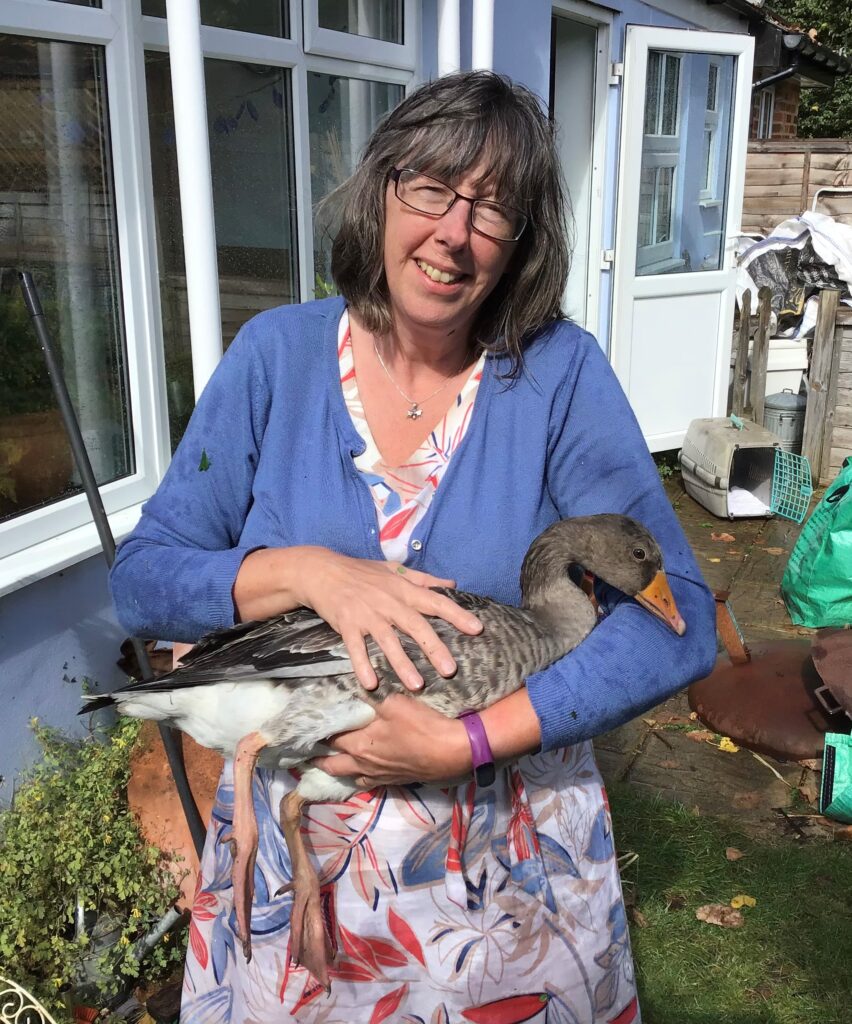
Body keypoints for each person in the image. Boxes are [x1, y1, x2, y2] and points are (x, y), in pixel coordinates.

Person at [110, 70, 716, 1023]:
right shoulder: (275, 356)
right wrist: (312, 573)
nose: (453, 232)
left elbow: (681, 626)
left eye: (494, 209)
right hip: (299, 874)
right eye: (430, 189)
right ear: (380, 190)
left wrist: (463, 738)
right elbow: (145, 582)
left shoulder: (557, 375)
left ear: (522, 241)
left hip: (503, 895)